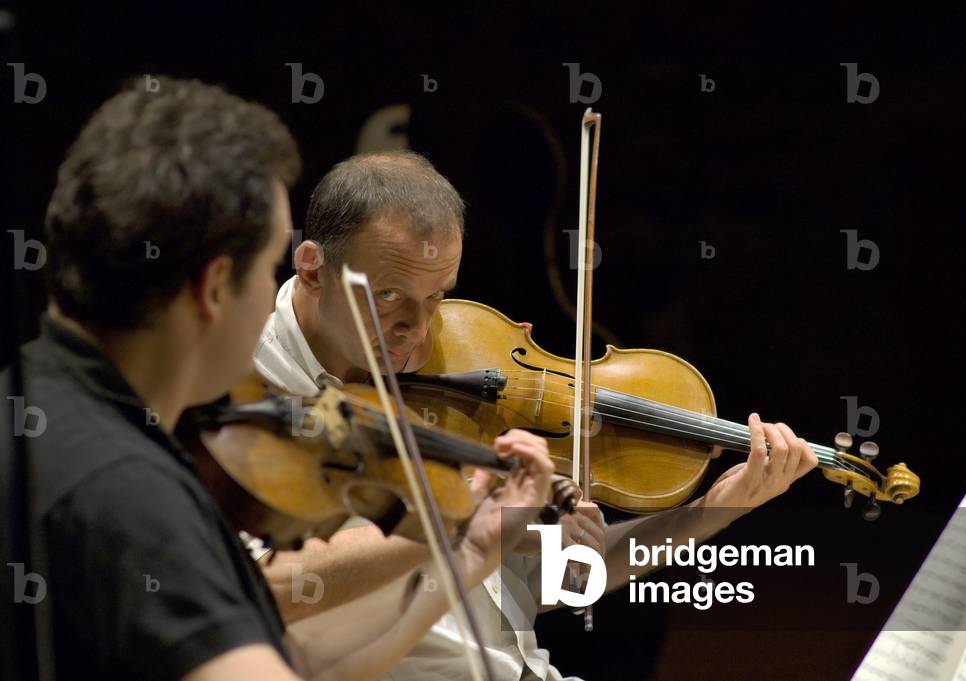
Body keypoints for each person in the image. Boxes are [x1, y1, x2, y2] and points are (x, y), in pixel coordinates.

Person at [0, 76, 556, 681]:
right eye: (270, 269)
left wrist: (468, 550)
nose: (278, 294)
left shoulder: (36, 402)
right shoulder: (129, 490)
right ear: (215, 288)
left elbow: (308, 666)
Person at [253, 150, 819, 680]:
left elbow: (561, 583)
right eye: (388, 296)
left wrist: (707, 514)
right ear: (312, 268)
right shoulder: (248, 390)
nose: (420, 331)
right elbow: (263, 585)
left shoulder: (448, 378)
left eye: (436, 297)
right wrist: (461, 524)